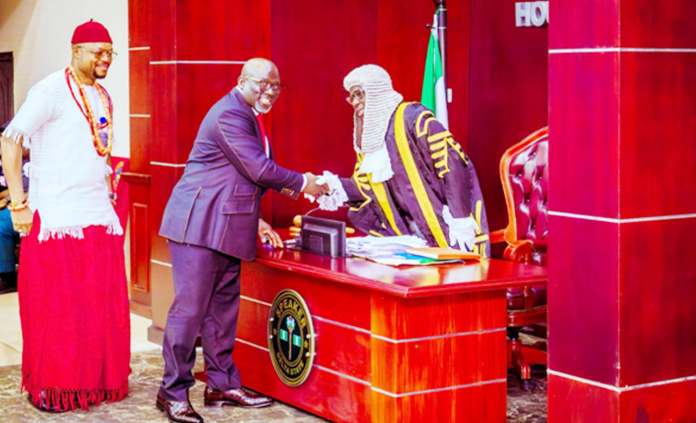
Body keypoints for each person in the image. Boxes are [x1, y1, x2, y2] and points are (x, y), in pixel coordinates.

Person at [157, 58, 328, 423]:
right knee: (189, 313)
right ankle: (171, 392)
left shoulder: (249, 113)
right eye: (260, 84)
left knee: (222, 312)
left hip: (227, 225)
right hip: (198, 226)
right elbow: (258, 169)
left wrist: (257, 220)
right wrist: (304, 183)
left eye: (274, 86)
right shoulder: (229, 114)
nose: (268, 91)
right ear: (242, 81)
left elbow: (232, 175)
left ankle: (221, 384)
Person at [0, 20, 129, 412]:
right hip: (57, 218)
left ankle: (98, 384)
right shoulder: (51, 91)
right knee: (59, 310)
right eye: (97, 52)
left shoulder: (102, 95)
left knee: (99, 308)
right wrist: (19, 203)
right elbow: (10, 139)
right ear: (75, 52)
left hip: (97, 215)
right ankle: (56, 387)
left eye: (110, 52)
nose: (105, 59)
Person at [315, 64, 490, 257]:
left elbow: (452, 163)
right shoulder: (370, 141)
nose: (354, 102)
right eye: (351, 96)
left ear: (376, 91)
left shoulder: (414, 117)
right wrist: (336, 187)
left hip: (450, 230)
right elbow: (367, 188)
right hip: (409, 241)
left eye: (359, 94)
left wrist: (460, 218)